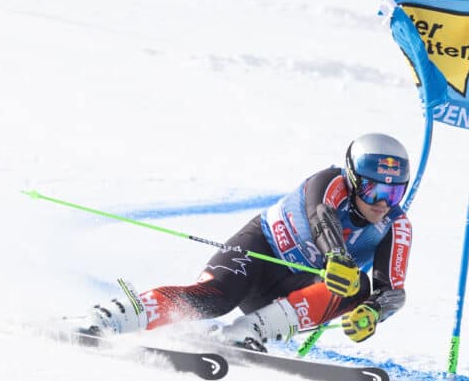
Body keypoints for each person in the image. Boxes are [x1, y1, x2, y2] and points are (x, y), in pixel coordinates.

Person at [74, 133, 412, 351]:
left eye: (394, 191)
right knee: (214, 299)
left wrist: (372, 312)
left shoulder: (395, 225)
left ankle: (248, 331)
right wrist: (337, 255)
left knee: (356, 286)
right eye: (373, 189)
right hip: (259, 252)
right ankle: (112, 315)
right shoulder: (328, 182)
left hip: (292, 295)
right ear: (353, 179)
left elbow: (391, 291)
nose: (382, 201)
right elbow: (320, 217)